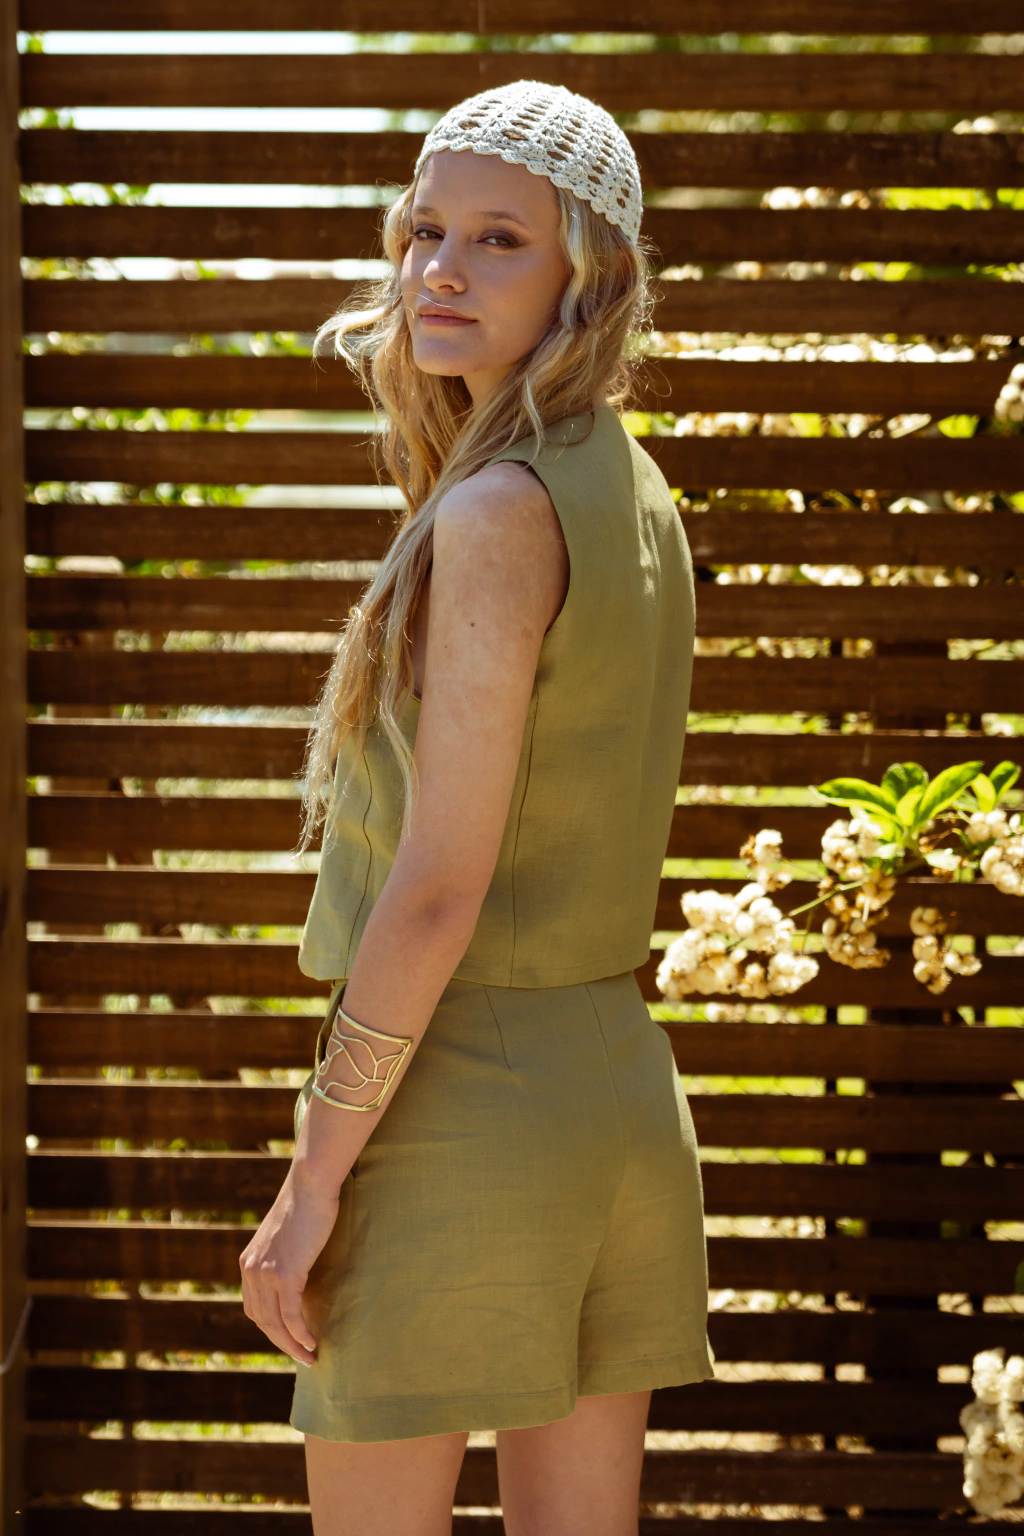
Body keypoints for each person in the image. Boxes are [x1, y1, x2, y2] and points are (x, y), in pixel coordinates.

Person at [239, 78, 715, 1536]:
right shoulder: (632, 488)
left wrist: (314, 1177)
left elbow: (440, 885)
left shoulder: (498, 511)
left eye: (500, 238)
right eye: (425, 230)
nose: (440, 268)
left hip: (460, 1106)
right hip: (616, 1097)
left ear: (590, 275)